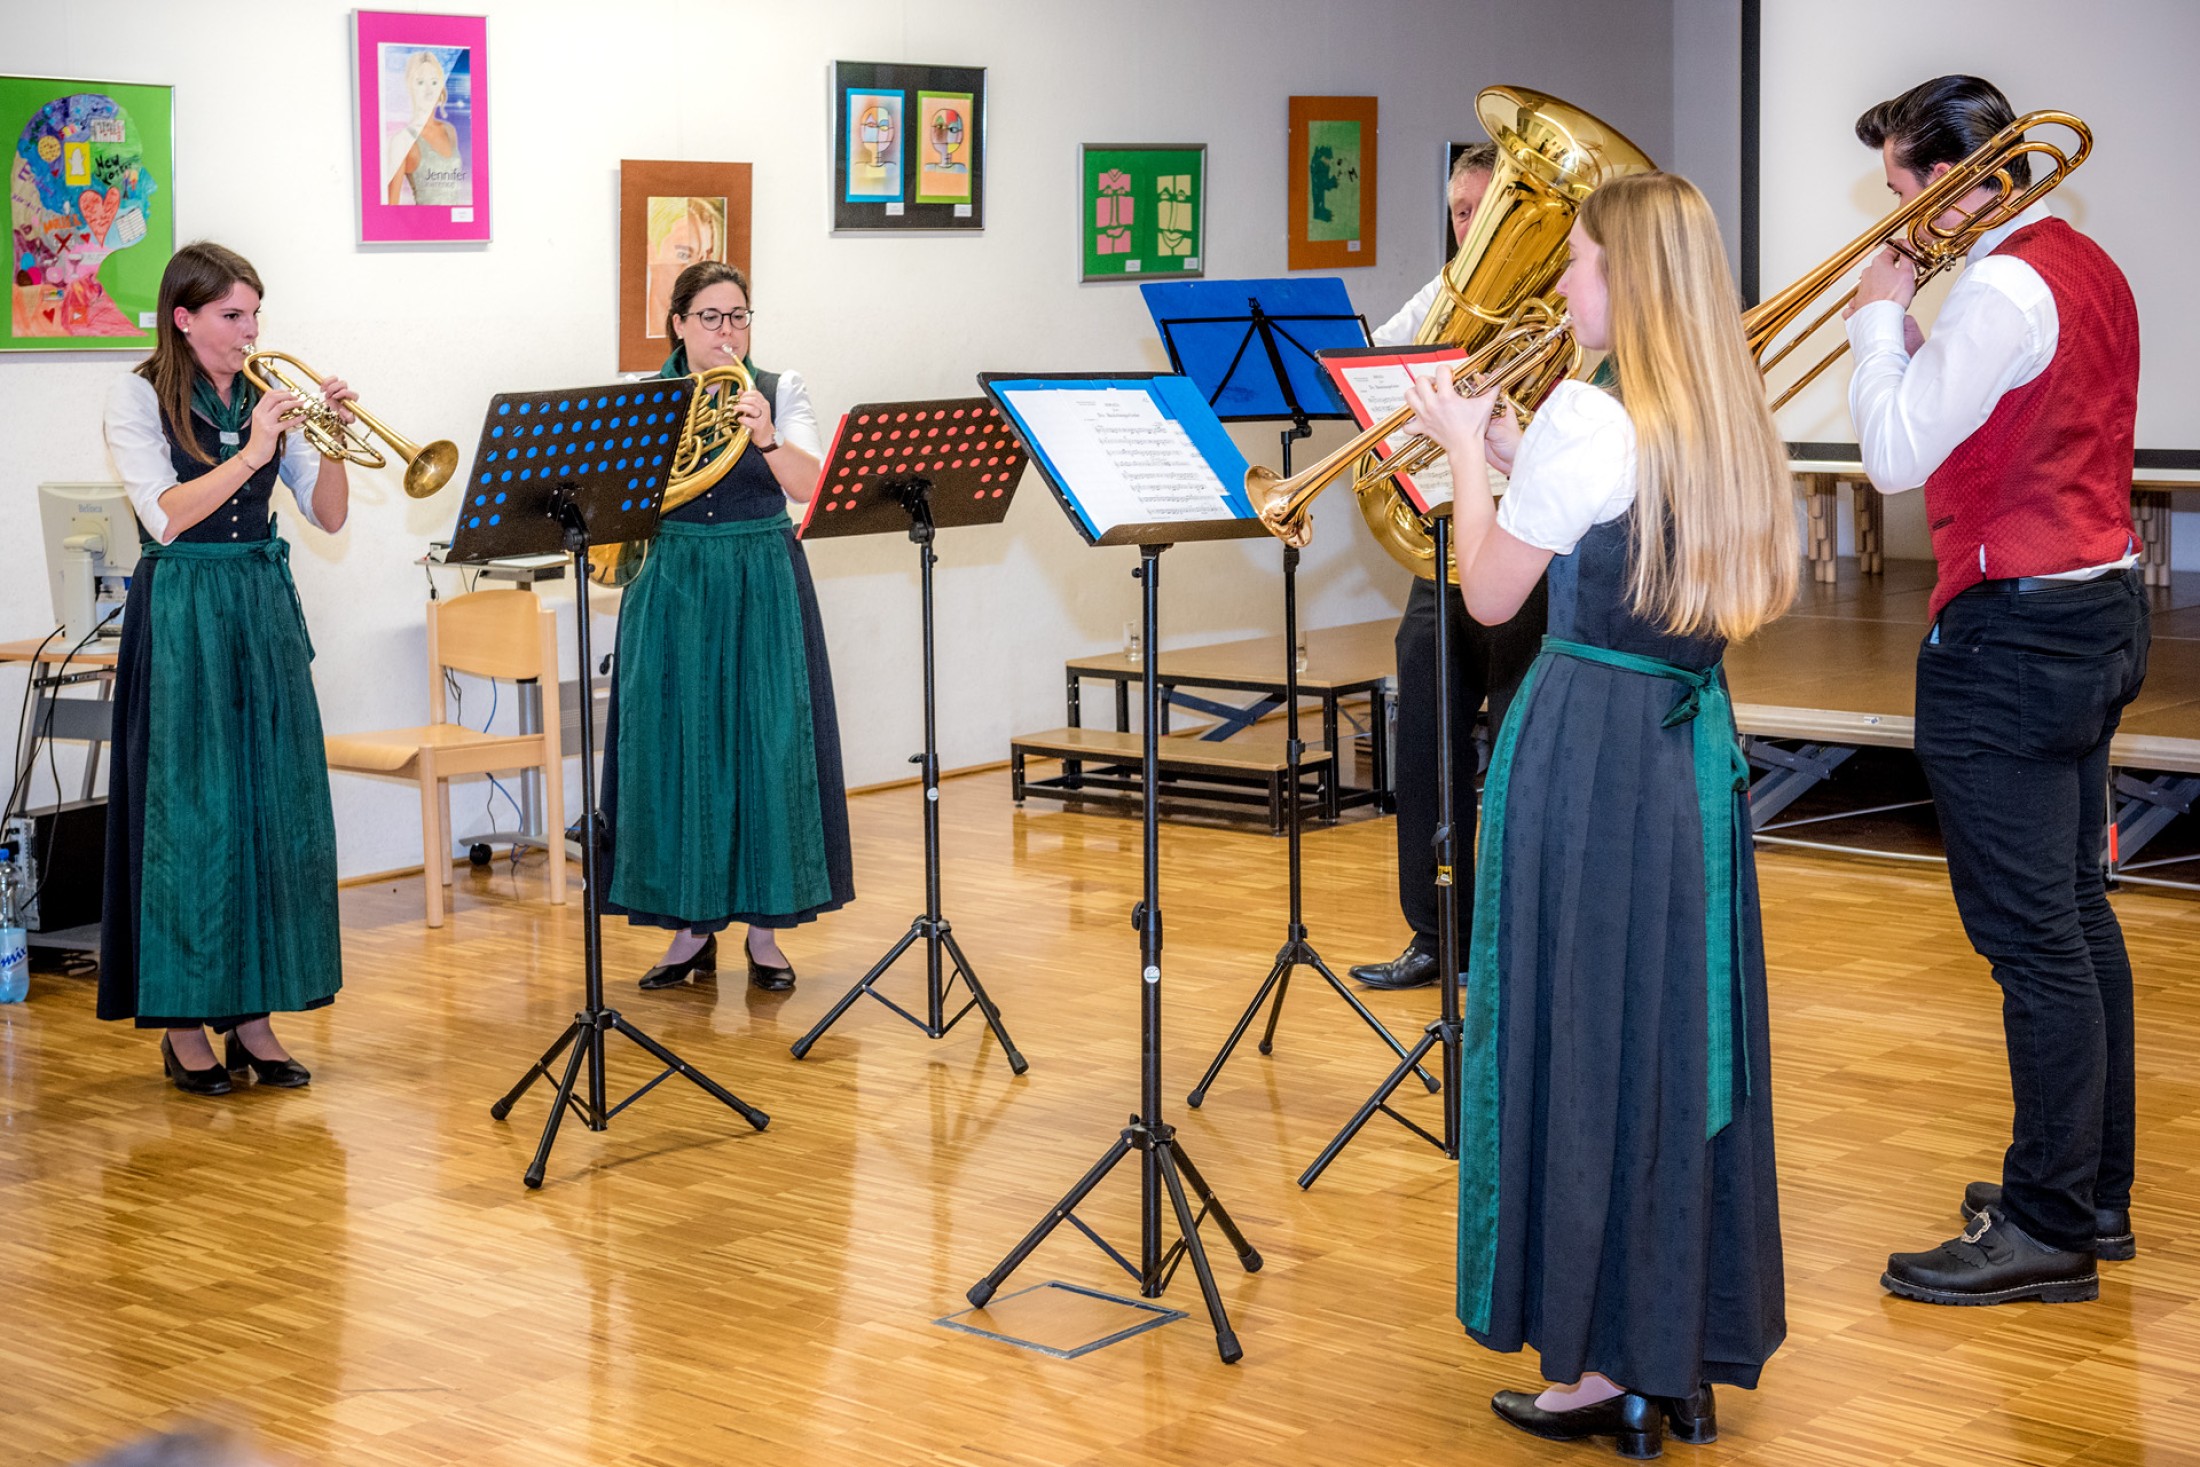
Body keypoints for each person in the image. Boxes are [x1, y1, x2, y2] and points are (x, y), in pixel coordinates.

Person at [1404, 171, 1793, 1457]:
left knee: (1576, 1038)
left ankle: (1590, 1364)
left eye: (1576, 263)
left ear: (1628, 276)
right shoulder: (1719, 408)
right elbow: (1630, 532)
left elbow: (1490, 595)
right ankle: (1673, 1351)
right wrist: (1521, 461)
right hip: (1686, 758)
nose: (1561, 284)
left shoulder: (1589, 409)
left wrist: (1465, 453)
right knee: (1674, 1043)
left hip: (1586, 749)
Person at [1845, 76, 2145, 1306]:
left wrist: (1877, 319)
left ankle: (2044, 1225)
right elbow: (1994, 418)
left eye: (1909, 189)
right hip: (2091, 608)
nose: (1897, 220)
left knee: (2033, 942)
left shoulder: (2003, 287)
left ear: (1978, 184)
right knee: (2075, 914)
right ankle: (2090, 1193)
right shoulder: (2080, 264)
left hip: (2010, 643)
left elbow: (1889, 457)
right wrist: (1915, 334)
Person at [98, 240, 350, 1096]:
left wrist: (336, 438)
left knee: (270, 808)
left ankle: (253, 1017)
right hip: (186, 612)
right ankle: (181, 1022)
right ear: (184, 317)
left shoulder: (267, 398)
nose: (250, 332)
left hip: (260, 606)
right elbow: (165, 516)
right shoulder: (137, 396)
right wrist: (251, 452)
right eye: (232, 316)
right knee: (193, 816)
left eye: (254, 315)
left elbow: (325, 512)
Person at [601, 260, 855, 993]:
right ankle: (689, 932)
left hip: (760, 578)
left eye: (739, 315)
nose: (727, 331)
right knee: (677, 750)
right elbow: (619, 499)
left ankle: (766, 935)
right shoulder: (641, 399)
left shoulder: (779, 388)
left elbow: (812, 487)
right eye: (711, 316)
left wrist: (769, 438)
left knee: (769, 749)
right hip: (674, 579)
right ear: (677, 323)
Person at [1352, 142, 1552, 991]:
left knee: (1515, 739)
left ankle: (1515, 939)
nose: (1471, 229)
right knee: (1425, 735)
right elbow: (1376, 359)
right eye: (1464, 214)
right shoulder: (1446, 293)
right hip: (1443, 543)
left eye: (1486, 211)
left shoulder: (1560, 301)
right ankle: (1437, 933)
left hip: (1528, 546)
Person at [384, 50, 467, 206]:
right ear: (410, 86)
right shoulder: (402, 140)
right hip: (424, 227)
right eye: (420, 82)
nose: (429, 90)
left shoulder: (449, 131)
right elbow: (391, 209)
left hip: (457, 228)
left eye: (434, 82)